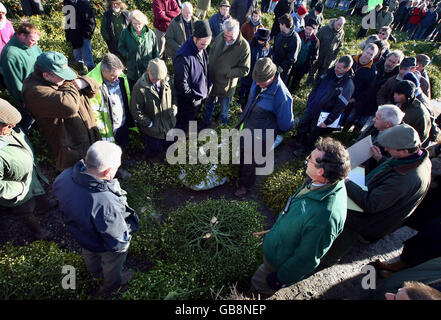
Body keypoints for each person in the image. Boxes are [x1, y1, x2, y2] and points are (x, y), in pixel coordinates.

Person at [249, 136, 351, 298]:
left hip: (278, 263)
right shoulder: (325, 182)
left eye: (310, 159)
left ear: (320, 171)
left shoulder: (324, 217)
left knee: (258, 287)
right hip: (279, 248)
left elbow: (307, 258)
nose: (307, 159)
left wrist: (280, 279)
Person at [322, 124, 432, 266]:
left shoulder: (404, 180)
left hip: (368, 219)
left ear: (404, 150)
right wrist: (381, 159)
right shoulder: (415, 158)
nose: (385, 149)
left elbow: (371, 204)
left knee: (346, 233)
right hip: (373, 197)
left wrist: (345, 180)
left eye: (389, 147)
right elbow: (394, 170)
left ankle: (328, 260)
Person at [53, 141, 139, 297]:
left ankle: (95, 272)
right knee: (113, 262)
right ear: (108, 173)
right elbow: (116, 241)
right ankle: (110, 285)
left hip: (82, 235)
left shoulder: (64, 176)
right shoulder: (105, 202)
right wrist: (121, 246)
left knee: (90, 253)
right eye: (116, 168)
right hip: (102, 244)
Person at [22, 51, 102, 172]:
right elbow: (69, 106)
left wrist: (85, 82)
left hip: (88, 135)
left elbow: (94, 88)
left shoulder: (59, 75)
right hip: (71, 149)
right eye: (62, 75)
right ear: (46, 76)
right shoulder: (34, 91)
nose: (66, 77)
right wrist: (71, 84)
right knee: (76, 179)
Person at [234, 58, 294, 197]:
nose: (257, 83)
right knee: (242, 155)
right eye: (256, 80)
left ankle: (245, 186)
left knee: (251, 164)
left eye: (261, 82)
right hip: (248, 128)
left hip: (261, 137)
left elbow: (286, 123)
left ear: (272, 77)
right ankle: (240, 176)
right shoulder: (259, 83)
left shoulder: (282, 96)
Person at [0, 99, 55, 240]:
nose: (13, 126)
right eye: (8, 125)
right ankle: (38, 231)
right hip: (18, 192)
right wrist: (18, 189)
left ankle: (44, 206)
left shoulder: (9, 131)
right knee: (25, 211)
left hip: (30, 178)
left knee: (39, 194)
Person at [293, 55, 354, 157]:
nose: (336, 68)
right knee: (302, 124)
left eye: (339, 68)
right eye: (336, 65)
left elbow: (340, 107)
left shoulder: (347, 85)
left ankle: (305, 150)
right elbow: (315, 88)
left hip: (323, 114)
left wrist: (327, 121)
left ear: (346, 69)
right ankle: (299, 141)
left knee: (314, 134)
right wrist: (310, 102)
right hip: (311, 108)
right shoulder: (328, 73)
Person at [203, 18, 250, 127]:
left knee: (224, 109)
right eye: (226, 35)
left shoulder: (244, 47)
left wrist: (228, 72)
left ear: (237, 32)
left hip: (226, 85)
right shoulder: (221, 36)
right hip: (212, 79)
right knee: (209, 103)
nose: (228, 39)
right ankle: (206, 123)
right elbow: (212, 49)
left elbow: (245, 69)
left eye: (231, 37)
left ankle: (222, 127)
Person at [129, 58, 177, 160]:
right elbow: (136, 110)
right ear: (148, 71)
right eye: (154, 78)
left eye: (160, 78)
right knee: (155, 153)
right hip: (152, 131)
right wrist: (149, 123)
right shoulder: (139, 88)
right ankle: (156, 167)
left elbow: (174, 97)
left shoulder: (169, 81)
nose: (157, 81)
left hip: (168, 125)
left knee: (169, 149)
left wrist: (174, 109)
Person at [0, 22, 42, 132]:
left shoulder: (32, 45)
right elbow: (14, 84)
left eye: (37, 41)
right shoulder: (10, 55)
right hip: (26, 96)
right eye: (33, 41)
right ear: (21, 35)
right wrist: (25, 101)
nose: (36, 43)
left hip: (38, 89)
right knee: (26, 122)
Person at [87, 53, 134, 149]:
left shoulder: (119, 76)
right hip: (108, 130)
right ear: (103, 71)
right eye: (113, 76)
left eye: (119, 74)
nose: (117, 79)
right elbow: (94, 113)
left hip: (122, 123)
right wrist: (103, 132)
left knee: (123, 145)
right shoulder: (92, 86)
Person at [173, 20, 211, 132]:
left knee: (191, 119)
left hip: (198, 98)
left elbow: (205, 67)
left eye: (207, 44)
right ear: (195, 39)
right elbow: (181, 84)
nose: (205, 47)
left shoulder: (201, 48)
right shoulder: (183, 57)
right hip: (189, 102)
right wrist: (193, 98)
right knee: (182, 123)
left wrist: (208, 86)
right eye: (203, 44)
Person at [357, 104, 405, 172]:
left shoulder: (398, 142)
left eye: (377, 118)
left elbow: (394, 166)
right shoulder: (374, 126)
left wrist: (380, 158)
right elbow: (359, 140)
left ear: (387, 124)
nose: (373, 119)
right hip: (357, 164)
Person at [118, 10, 159, 90]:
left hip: (147, 69)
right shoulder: (125, 33)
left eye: (139, 23)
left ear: (144, 22)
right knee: (133, 91)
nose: (137, 26)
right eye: (134, 23)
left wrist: (155, 65)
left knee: (147, 91)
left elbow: (155, 51)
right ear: (131, 22)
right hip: (132, 69)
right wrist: (127, 55)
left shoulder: (150, 34)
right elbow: (121, 47)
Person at [343, 43, 379, 133]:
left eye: (371, 54)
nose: (368, 56)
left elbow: (368, 90)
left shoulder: (372, 70)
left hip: (351, 99)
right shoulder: (351, 59)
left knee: (343, 116)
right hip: (339, 91)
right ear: (363, 50)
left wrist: (355, 99)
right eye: (367, 52)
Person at [238, 28, 273, 109]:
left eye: (263, 40)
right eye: (259, 39)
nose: (261, 41)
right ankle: (238, 105)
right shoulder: (250, 45)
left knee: (250, 93)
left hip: (257, 76)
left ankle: (245, 107)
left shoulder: (268, 49)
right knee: (241, 91)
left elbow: (269, 60)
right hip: (247, 72)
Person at [308, 16, 345, 84]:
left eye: (341, 25)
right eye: (338, 24)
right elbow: (315, 41)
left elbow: (340, 45)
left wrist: (334, 56)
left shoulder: (341, 33)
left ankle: (316, 86)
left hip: (328, 59)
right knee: (312, 71)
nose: (339, 26)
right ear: (335, 21)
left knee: (321, 76)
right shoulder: (324, 29)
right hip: (319, 56)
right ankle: (308, 83)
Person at [393, 80, 432, 145]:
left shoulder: (417, 111)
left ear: (407, 95)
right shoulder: (403, 103)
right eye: (395, 93)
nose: (395, 96)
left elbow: (422, 136)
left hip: (410, 143)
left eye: (399, 94)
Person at [287, 18, 319, 91]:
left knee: (296, 82)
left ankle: (292, 92)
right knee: (287, 78)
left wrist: (308, 67)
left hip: (302, 66)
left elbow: (315, 56)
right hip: (292, 63)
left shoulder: (315, 41)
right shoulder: (298, 35)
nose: (307, 31)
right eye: (307, 29)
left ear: (314, 31)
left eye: (310, 30)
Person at [63, 0, 96, 70]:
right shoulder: (68, 4)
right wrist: (68, 35)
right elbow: (68, 22)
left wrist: (87, 34)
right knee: (78, 62)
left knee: (88, 62)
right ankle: (80, 75)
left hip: (84, 36)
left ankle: (91, 76)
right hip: (74, 36)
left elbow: (91, 21)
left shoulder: (83, 4)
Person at [272, 13, 301, 85]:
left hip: (283, 71)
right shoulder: (280, 34)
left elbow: (292, 58)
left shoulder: (295, 39)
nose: (279, 26)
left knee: (278, 86)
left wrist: (280, 67)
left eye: (280, 24)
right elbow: (275, 48)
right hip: (274, 66)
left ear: (284, 25)